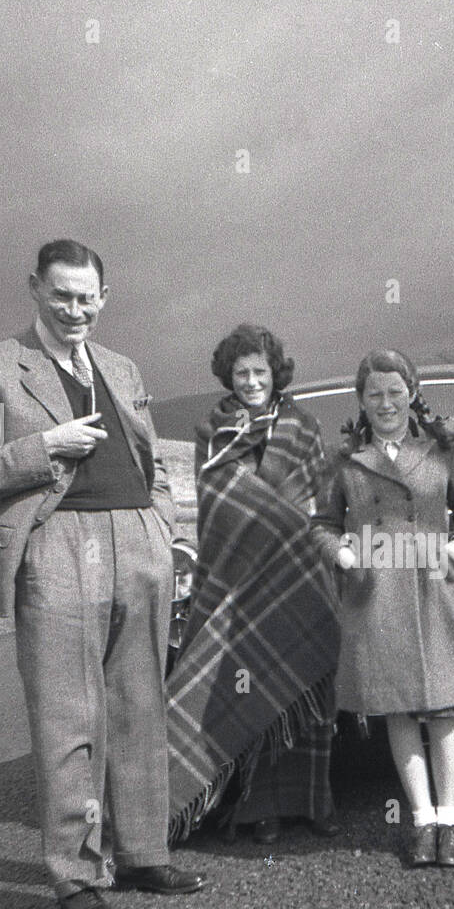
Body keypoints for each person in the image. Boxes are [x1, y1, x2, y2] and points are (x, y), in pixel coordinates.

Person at [0, 239, 204, 909]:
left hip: (139, 545)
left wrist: (166, 531)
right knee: (68, 719)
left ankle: (146, 853)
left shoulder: (121, 366)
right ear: (33, 288)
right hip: (56, 544)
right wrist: (45, 447)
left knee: (141, 706)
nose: (75, 309)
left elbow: (152, 463)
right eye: (61, 294)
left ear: (104, 298)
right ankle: (77, 877)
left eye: (87, 296)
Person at [311, 351, 454, 868]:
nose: (386, 402)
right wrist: (345, 555)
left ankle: (451, 821)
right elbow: (323, 524)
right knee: (397, 706)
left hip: (436, 586)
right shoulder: (345, 460)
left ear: (412, 392)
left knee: (443, 708)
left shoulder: (442, 449)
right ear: (362, 400)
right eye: (374, 393)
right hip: (377, 595)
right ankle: (420, 822)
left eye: (395, 391)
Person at [166, 324, 341, 848]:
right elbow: (218, 501)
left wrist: (294, 524)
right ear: (229, 375)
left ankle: (312, 801)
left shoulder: (303, 426)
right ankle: (258, 808)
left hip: (297, 575)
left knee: (306, 691)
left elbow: (322, 500)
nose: (250, 381)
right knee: (246, 689)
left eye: (259, 371)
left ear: (275, 373)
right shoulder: (212, 431)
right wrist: (281, 517)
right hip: (235, 581)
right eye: (241, 372)